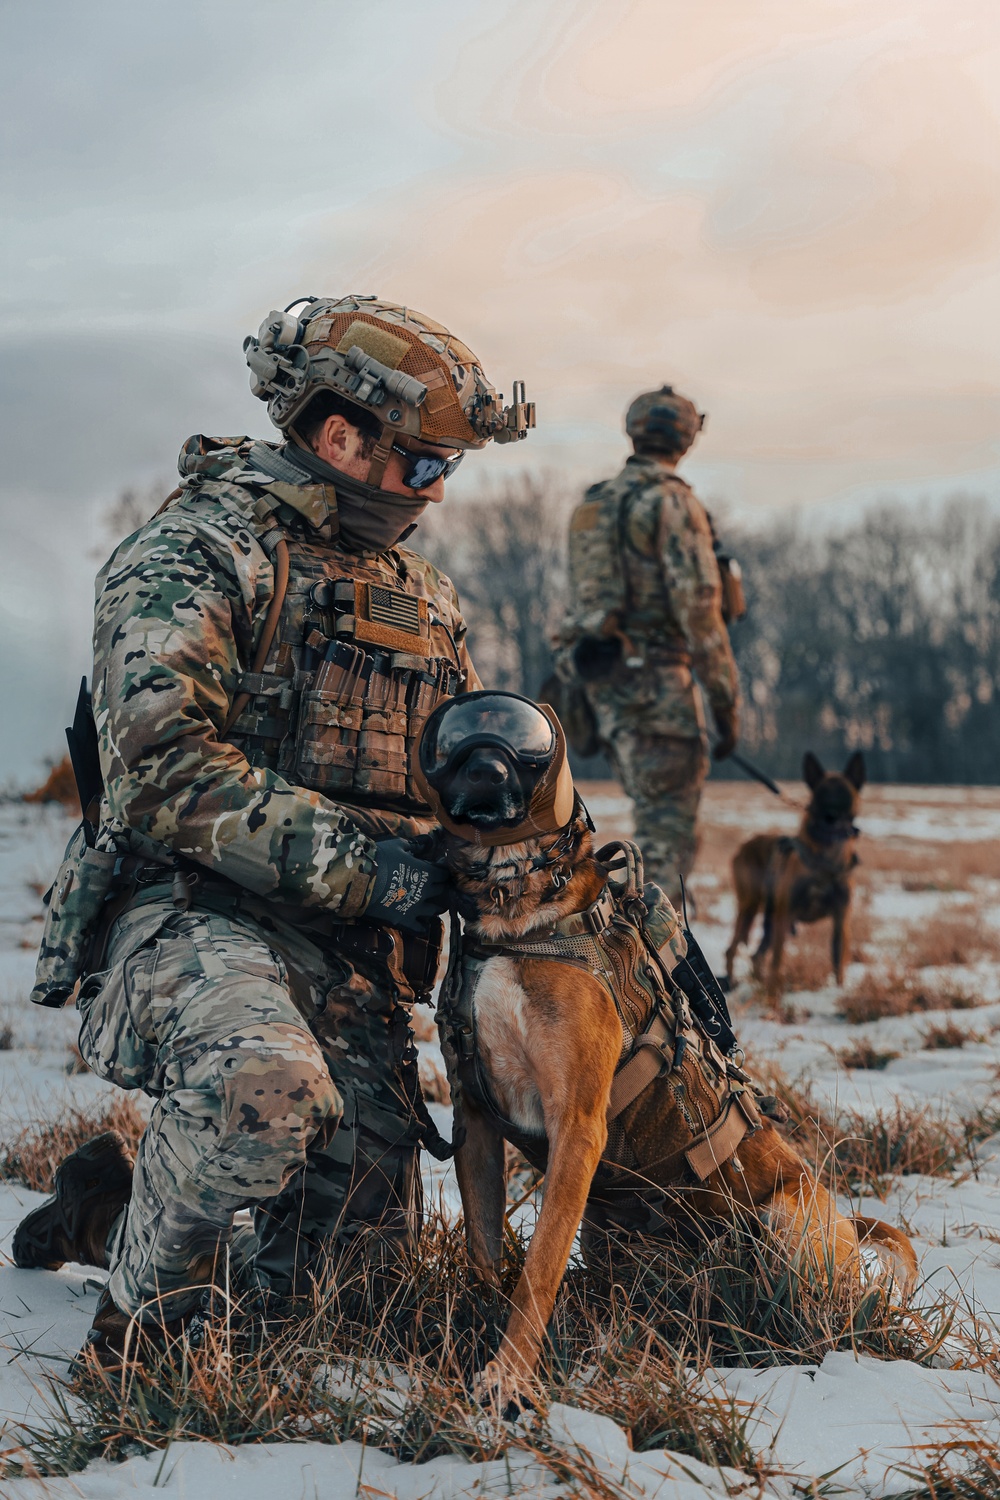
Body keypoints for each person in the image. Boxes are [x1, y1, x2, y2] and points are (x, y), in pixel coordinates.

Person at [14, 294, 533, 1368]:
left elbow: (460, 771)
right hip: (193, 916)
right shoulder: (194, 551)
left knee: (345, 1299)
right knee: (263, 1085)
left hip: (349, 958)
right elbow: (161, 772)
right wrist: (370, 870)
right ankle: (139, 1350)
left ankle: (101, 1213)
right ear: (341, 433)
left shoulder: (420, 597)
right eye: (424, 464)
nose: (436, 492)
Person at [558, 386, 740, 901]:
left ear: (633, 432)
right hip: (657, 689)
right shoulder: (671, 501)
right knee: (666, 840)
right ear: (686, 439)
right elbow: (701, 613)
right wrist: (727, 703)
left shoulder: (595, 503)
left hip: (599, 688)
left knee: (650, 827)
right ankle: (658, 969)